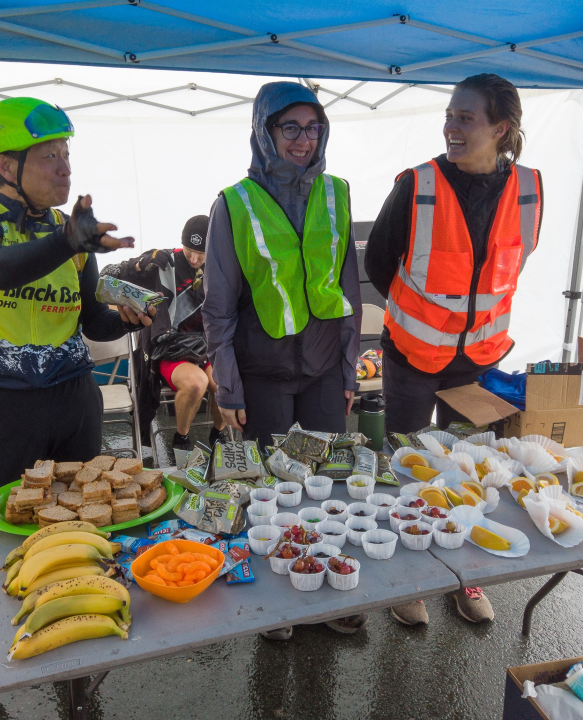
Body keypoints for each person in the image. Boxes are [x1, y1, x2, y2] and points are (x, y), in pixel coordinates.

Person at [0, 97, 155, 703]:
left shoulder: (72, 235)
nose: (64, 168)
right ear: (6, 165)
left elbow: (90, 319)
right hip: (0, 405)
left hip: (72, 399)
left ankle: (75, 655)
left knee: (84, 525)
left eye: (67, 155)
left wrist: (127, 316)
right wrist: (69, 238)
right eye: (49, 157)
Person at [365, 73, 543, 626]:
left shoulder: (530, 188)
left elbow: (515, 261)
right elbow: (377, 265)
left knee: (468, 472)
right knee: (412, 465)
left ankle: (466, 578)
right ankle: (411, 580)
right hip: (414, 355)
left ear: (500, 128)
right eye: (449, 116)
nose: (452, 128)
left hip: (479, 359)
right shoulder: (417, 185)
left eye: (465, 118)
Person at [203, 81, 364, 639]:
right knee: (271, 491)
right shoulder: (235, 202)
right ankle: (278, 604)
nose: (303, 139)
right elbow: (217, 306)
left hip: (322, 370)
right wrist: (228, 389)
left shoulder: (338, 192)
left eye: (312, 127)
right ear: (264, 132)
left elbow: (348, 292)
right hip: (263, 373)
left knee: (327, 484)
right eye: (289, 127)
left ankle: (327, 587)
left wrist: (348, 372)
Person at [110, 215, 225, 451]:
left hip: (206, 349)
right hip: (169, 351)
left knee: (227, 382)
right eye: (189, 249)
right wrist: (140, 264)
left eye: (201, 253)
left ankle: (218, 434)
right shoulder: (163, 262)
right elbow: (109, 277)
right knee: (197, 383)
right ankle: (181, 439)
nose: (193, 258)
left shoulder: (219, 268)